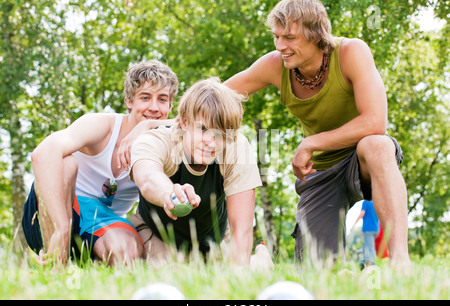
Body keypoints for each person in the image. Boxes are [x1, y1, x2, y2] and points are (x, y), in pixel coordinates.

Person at [224, 0, 410, 266]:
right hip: (319, 171)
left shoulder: (351, 52)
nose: (280, 46)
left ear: (316, 34)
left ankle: (400, 263)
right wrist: (169, 123)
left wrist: (312, 142)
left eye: (289, 37)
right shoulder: (275, 65)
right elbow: (217, 96)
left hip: (362, 159)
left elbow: (375, 121)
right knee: (320, 269)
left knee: (377, 145)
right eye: (276, 36)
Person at [22, 60, 179, 266]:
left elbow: (208, 111)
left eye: (162, 99)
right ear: (129, 101)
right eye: (145, 97)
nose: (154, 107)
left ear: (170, 106)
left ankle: (84, 263)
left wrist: (149, 125)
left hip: (103, 221)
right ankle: (54, 262)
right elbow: (42, 154)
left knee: (128, 252)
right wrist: (62, 227)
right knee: (66, 163)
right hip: (58, 207)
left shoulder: (168, 140)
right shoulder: (101, 125)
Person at [129, 78, 262, 265]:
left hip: (212, 241)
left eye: (222, 133)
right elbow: (148, 177)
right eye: (203, 128)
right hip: (158, 234)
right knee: (168, 279)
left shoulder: (237, 147)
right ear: (184, 122)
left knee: (239, 273)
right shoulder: (157, 140)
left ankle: (261, 259)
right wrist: (169, 193)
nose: (211, 141)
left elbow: (242, 228)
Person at [351, 200, 380, 266]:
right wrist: (362, 231)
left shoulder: (366, 202)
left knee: (369, 248)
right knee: (366, 245)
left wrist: (353, 225)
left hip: (368, 229)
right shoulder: (375, 202)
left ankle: (372, 266)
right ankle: (367, 264)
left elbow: (362, 214)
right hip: (375, 228)